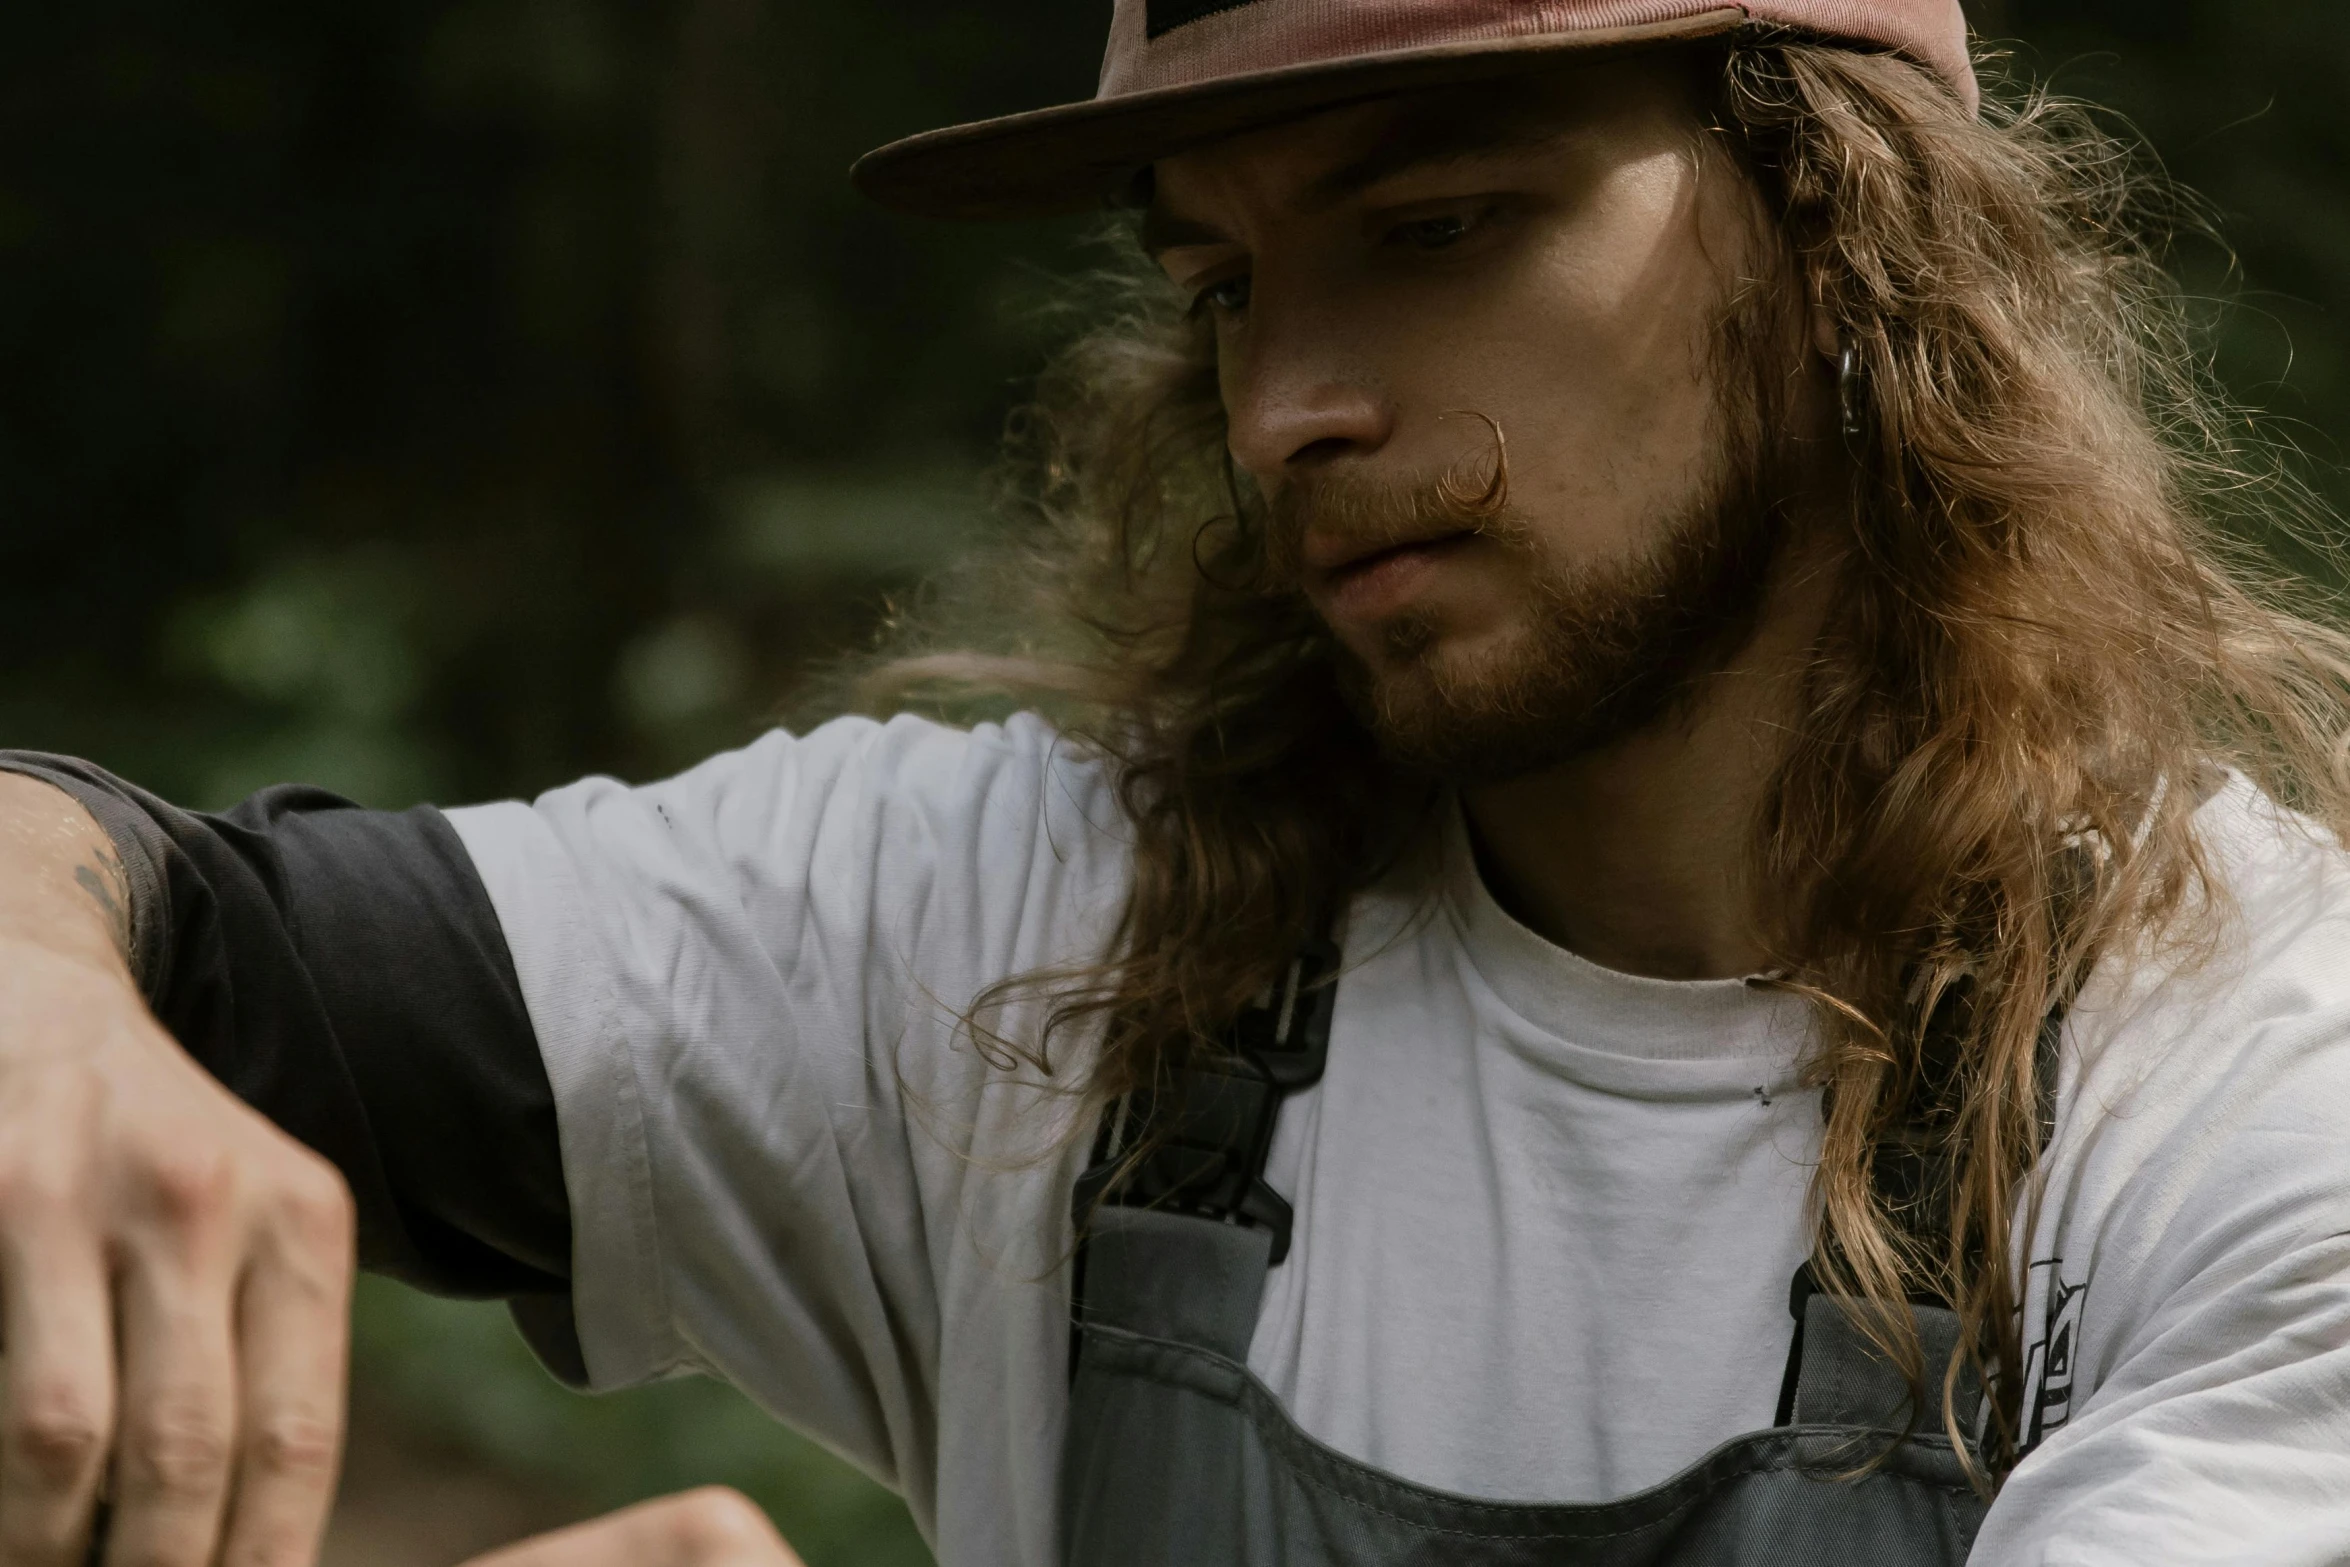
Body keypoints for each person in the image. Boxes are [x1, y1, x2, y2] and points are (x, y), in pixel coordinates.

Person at [3, 1, 2350, 1563]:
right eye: (1225, 281)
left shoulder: (2246, 1089)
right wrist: (42, 991)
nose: (1283, 406)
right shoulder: (1037, 928)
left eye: (1433, 228)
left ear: (1848, 236)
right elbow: (157, 901)